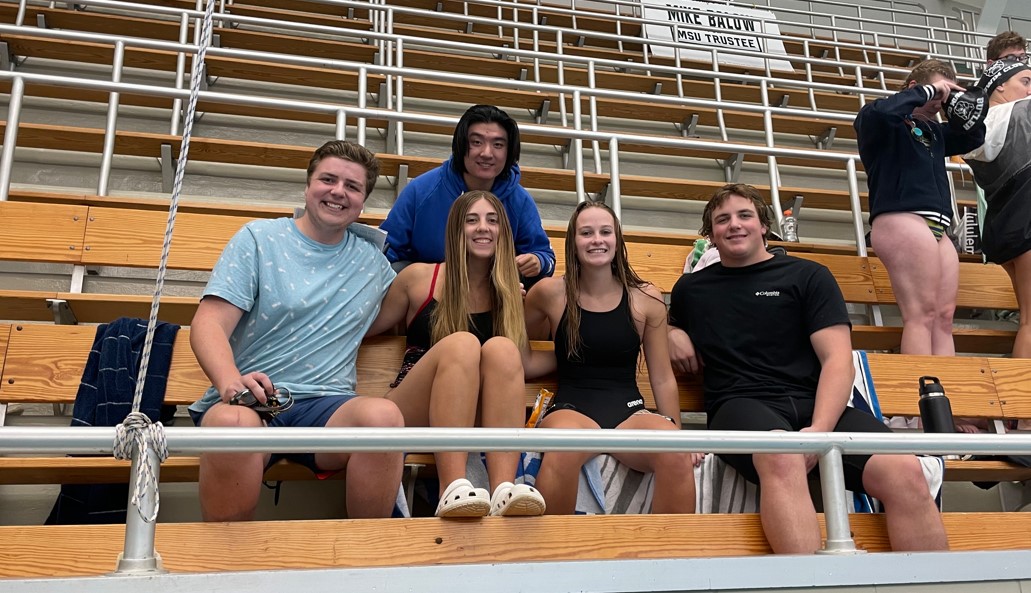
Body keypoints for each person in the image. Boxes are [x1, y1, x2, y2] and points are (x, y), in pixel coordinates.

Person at [667, 183, 948, 554]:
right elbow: (655, 324)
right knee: (781, 455)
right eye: (723, 220)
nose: (734, 225)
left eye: (744, 215)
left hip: (815, 405)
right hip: (741, 405)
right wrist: (672, 332)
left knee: (906, 470)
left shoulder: (808, 276)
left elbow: (837, 359)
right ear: (712, 235)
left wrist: (818, 432)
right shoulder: (691, 289)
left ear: (764, 226)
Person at [188, 140, 405, 522]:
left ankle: (370, 563)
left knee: (384, 418)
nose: (338, 192)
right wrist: (231, 385)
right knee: (231, 424)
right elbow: (208, 323)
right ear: (307, 187)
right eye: (328, 180)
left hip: (328, 405)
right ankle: (224, 568)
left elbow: (426, 289)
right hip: (256, 400)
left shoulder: (373, 262)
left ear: (362, 202)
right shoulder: (259, 238)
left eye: (352, 187)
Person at [367, 190, 547, 518]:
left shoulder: (509, 291)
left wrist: (586, 356)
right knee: (463, 344)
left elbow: (524, 363)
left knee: (503, 349)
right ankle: (453, 487)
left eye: (492, 220)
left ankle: (504, 489)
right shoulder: (419, 278)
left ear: (503, 232)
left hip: (471, 414)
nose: (483, 228)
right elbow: (365, 328)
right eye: (472, 220)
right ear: (455, 228)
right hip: (411, 406)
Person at [524, 201, 697, 515]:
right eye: (586, 233)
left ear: (617, 240)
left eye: (605, 232)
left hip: (628, 413)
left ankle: (673, 557)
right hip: (571, 410)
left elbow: (661, 376)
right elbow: (521, 342)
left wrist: (674, 428)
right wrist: (559, 357)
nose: (596, 240)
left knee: (675, 451)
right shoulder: (550, 293)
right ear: (573, 243)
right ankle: (548, 557)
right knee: (564, 449)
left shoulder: (645, 298)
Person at [854, 59, 985, 356]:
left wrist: (959, 103)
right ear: (917, 88)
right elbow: (881, 112)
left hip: (938, 226)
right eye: (938, 94)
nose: (940, 103)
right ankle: (921, 392)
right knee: (920, 314)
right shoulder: (882, 121)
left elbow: (974, 136)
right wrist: (928, 91)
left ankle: (945, 394)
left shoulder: (935, 131)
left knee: (944, 316)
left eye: (945, 98)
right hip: (903, 218)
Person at [381, 104, 555, 285]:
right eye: (476, 142)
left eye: (498, 145)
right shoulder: (422, 189)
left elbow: (545, 256)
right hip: (429, 291)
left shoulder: (520, 200)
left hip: (492, 293)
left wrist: (537, 261)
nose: (487, 153)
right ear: (461, 145)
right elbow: (387, 250)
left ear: (509, 151)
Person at [964, 59, 1031, 361]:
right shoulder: (1023, 112)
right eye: (1026, 81)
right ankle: (1022, 404)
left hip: (1001, 225)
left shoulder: (977, 127)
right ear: (1000, 85)